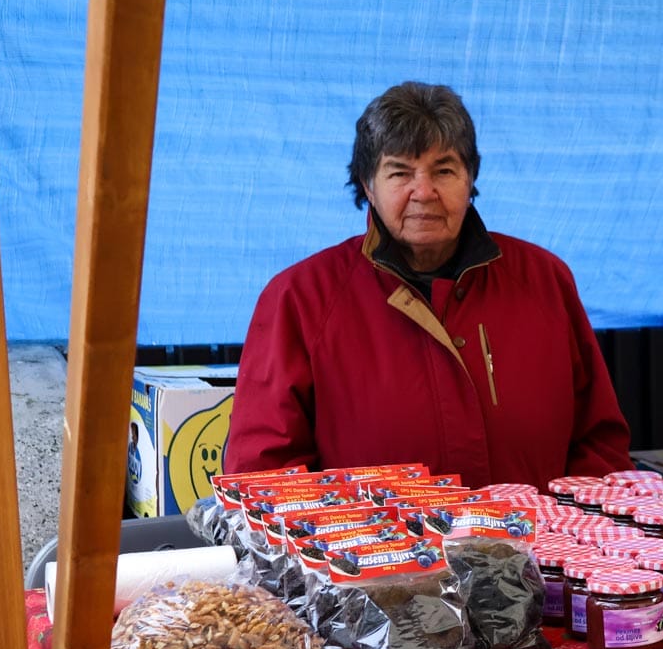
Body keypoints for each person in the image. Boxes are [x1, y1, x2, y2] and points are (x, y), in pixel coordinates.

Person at [226, 81, 633, 488]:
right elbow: (265, 476)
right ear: (368, 185)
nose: (424, 192)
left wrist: (564, 524)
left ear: (470, 179)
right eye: (400, 172)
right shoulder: (300, 299)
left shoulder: (544, 281)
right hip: (370, 534)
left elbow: (600, 447)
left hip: (535, 532)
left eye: (444, 170)